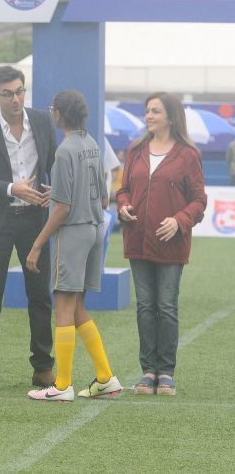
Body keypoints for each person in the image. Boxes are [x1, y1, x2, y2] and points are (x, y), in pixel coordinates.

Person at [24, 90, 123, 402]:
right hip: (95, 229)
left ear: (58, 114)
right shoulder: (91, 144)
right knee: (78, 306)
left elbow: (64, 208)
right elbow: (102, 196)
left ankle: (62, 384)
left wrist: (37, 244)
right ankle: (106, 378)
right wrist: (61, 195)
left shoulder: (65, 150)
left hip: (74, 233)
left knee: (63, 307)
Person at [0, 66, 57, 392]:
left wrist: (53, 188)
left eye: (20, 91)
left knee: (39, 295)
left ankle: (43, 365)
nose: (16, 98)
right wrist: (11, 188)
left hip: (35, 220)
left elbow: (54, 161)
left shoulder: (43, 121)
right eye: (8, 93)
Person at [117, 92, 206, 396]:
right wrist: (124, 206)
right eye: (147, 111)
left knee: (166, 306)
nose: (149, 116)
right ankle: (148, 371)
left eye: (155, 111)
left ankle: (166, 372)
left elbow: (199, 200)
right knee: (145, 306)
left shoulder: (187, 154)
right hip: (138, 240)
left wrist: (179, 220)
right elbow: (124, 190)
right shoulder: (136, 150)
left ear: (171, 116)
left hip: (171, 244)